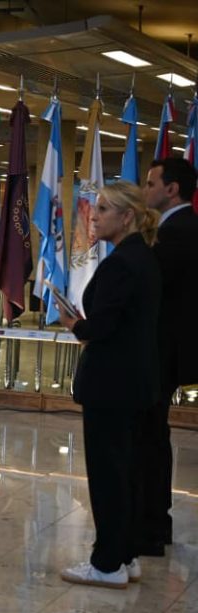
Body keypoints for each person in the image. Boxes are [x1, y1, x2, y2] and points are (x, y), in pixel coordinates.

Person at [57, 181, 160, 588]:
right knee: (127, 470)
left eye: (102, 209)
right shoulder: (143, 257)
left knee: (109, 475)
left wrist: (74, 324)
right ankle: (125, 554)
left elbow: (102, 327)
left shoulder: (122, 263)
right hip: (133, 380)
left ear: (127, 216)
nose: (94, 216)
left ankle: (107, 563)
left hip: (112, 383)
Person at [141, 157, 198, 554]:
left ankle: (151, 525)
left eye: (150, 183)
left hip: (162, 350)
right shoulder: (179, 227)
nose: (145, 190)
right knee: (153, 435)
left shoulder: (176, 233)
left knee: (149, 438)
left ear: (172, 189)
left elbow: (152, 290)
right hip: (165, 349)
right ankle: (154, 522)